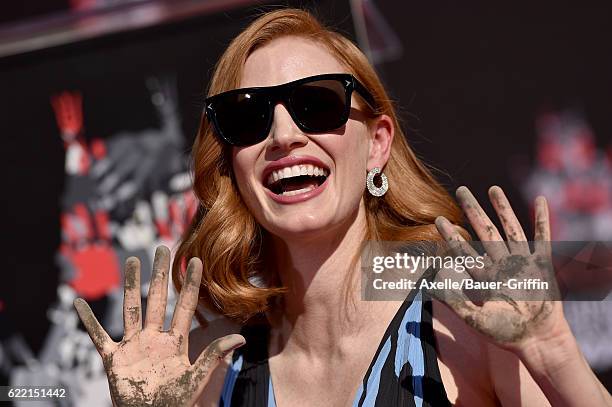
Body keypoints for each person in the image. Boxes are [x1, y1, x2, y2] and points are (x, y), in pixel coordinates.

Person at [73, 8, 612, 407]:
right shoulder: (208, 367)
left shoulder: (466, 324)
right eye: (247, 116)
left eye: (317, 104)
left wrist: (555, 356)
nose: (284, 135)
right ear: (231, 165)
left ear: (377, 144)